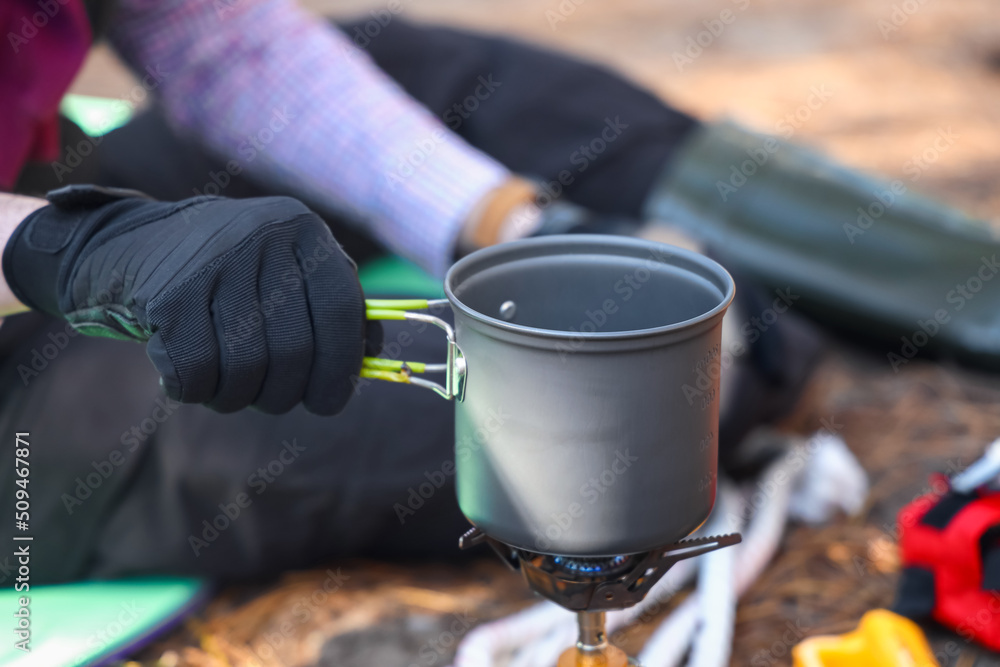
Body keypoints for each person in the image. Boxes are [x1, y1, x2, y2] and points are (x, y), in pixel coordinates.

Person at [3, 0, 989, 584]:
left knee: (458, 85)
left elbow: (211, 39)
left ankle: (971, 294)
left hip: (42, 199)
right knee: (580, 431)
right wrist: (80, 250)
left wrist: (512, 224)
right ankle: (730, 366)